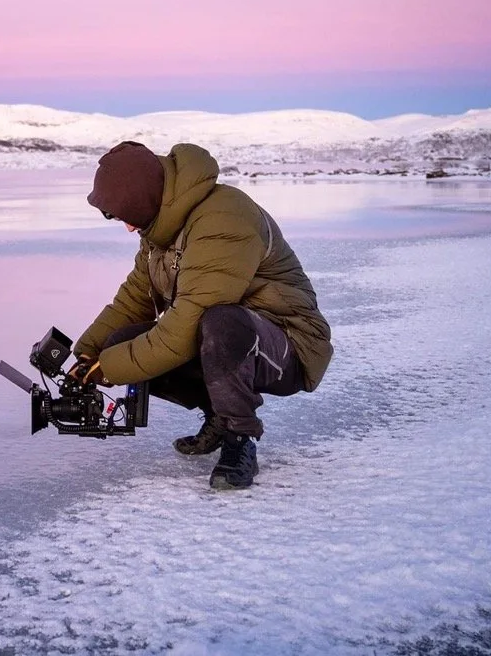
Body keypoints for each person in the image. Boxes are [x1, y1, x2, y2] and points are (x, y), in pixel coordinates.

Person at [70, 141, 332, 490]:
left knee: (220, 323)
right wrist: (88, 352)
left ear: (146, 199)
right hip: (228, 335)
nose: (128, 229)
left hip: (289, 345)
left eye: (126, 216)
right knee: (123, 342)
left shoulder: (223, 219)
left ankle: (240, 440)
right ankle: (218, 419)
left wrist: (111, 367)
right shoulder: (159, 229)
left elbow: (183, 330)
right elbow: (135, 299)